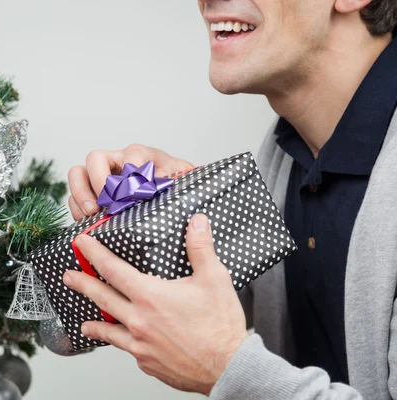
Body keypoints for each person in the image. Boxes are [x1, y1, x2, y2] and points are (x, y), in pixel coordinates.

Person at [62, 0, 397, 398]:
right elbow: (66, 331)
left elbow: (221, 352)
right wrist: (165, 224)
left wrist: (227, 368)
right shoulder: (285, 156)